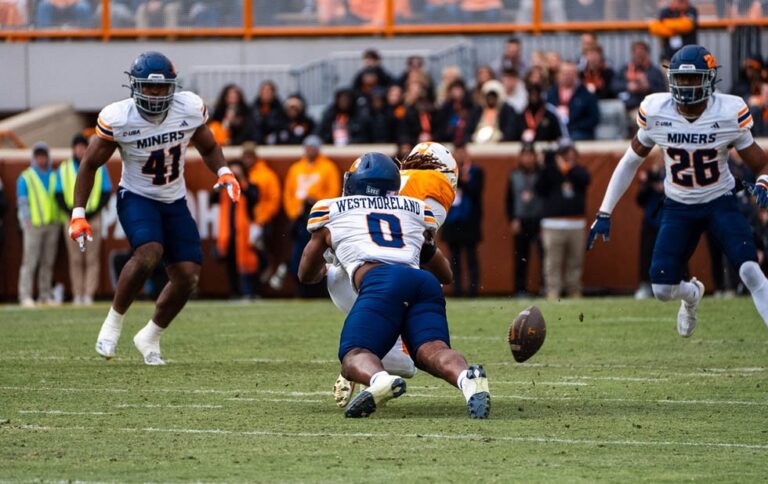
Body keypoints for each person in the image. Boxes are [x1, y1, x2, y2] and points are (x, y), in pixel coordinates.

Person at [68, 51, 240, 365]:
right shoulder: (120, 117)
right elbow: (90, 164)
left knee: (188, 275)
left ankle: (150, 336)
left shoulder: (188, 108)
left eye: (161, 88)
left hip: (174, 199)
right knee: (149, 251)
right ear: (135, 86)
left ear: (173, 87)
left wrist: (224, 171)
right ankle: (113, 323)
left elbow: (210, 146)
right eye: (149, 87)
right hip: (137, 196)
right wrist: (78, 212)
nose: (155, 93)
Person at [588, 44, 768, 336]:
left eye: (693, 78)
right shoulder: (657, 111)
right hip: (678, 206)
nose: (685, 85)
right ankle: (692, 294)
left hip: (719, 202)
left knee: (749, 270)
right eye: (681, 79)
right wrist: (605, 210)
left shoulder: (727, 112)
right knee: (661, 288)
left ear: (709, 79)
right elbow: (629, 162)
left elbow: (761, 163)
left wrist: (764, 181)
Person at [298, 152, 490, 419]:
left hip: (381, 282)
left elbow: (305, 274)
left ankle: (379, 380)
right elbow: (445, 274)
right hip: (423, 283)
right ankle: (468, 379)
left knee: (355, 352)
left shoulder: (330, 210)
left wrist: (326, 267)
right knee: (432, 350)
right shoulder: (414, 209)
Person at [327, 141, 457, 407]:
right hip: (378, 276)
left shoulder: (388, 177)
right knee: (406, 363)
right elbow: (424, 254)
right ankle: (364, 371)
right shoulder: (434, 185)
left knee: (377, 331)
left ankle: (361, 366)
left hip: (341, 270)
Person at [55, 134, 112, 305]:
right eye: (77, 146)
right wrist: (74, 213)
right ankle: (78, 294)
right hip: (72, 219)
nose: (80, 150)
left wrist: (91, 212)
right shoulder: (64, 168)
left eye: (83, 146)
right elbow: (57, 194)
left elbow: (106, 192)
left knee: (91, 258)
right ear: (73, 149)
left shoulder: (99, 166)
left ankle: (88, 294)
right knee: (75, 258)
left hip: (93, 218)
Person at [283, 135, 341, 294]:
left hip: (321, 219)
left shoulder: (328, 167)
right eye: (308, 147)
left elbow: (334, 192)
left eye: (313, 147)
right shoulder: (296, 168)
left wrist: (319, 205)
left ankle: (320, 290)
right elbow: (288, 194)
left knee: (320, 253)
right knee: (299, 253)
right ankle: (301, 289)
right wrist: (294, 212)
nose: (310, 150)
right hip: (301, 218)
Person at [536, 143, 591, 299]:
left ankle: (574, 290)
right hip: (553, 224)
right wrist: (546, 166)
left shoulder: (579, 171)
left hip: (576, 224)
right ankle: (553, 291)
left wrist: (568, 168)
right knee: (552, 261)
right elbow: (539, 188)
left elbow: (585, 180)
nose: (569, 157)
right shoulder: (550, 172)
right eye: (565, 154)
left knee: (575, 261)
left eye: (571, 153)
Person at [16, 142, 60, 308]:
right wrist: (25, 221)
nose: (42, 159)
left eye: (44, 156)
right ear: (34, 158)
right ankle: (25, 295)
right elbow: (22, 201)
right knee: (30, 261)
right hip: (33, 225)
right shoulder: (26, 176)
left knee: (47, 262)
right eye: (39, 156)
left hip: (52, 223)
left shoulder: (54, 175)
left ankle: (45, 294)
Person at [212, 160, 260, 299]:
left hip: (247, 231)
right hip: (228, 231)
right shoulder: (226, 188)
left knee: (250, 261)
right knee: (231, 262)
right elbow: (213, 198)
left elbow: (254, 199)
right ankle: (235, 292)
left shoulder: (250, 186)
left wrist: (242, 182)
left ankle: (251, 291)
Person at [441, 142, 484, 297]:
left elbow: (476, 193)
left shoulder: (476, 171)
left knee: (471, 257)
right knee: (454, 259)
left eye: (462, 152)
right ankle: (457, 290)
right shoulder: (446, 173)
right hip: (452, 221)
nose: (460, 155)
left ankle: (473, 290)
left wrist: (464, 182)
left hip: (469, 222)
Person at [506, 142, 542, 297]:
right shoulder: (514, 175)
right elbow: (508, 199)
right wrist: (512, 219)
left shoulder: (542, 174)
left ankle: (544, 287)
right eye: (525, 155)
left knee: (543, 256)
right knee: (521, 256)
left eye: (530, 155)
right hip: (521, 220)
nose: (527, 159)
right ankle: (520, 289)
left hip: (538, 220)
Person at [612, 41, 667, 136]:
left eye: (642, 52)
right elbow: (613, 86)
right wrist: (628, 86)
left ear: (647, 53)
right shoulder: (625, 69)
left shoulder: (654, 72)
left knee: (639, 117)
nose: (639, 55)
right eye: (636, 52)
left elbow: (663, 92)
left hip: (646, 108)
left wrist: (648, 87)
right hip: (626, 107)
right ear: (633, 53)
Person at [633, 158, 665, 299]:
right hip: (651, 219)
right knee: (647, 253)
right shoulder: (649, 174)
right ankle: (646, 285)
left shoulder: (675, 173)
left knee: (675, 251)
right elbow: (639, 199)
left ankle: (679, 282)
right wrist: (648, 183)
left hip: (671, 219)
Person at [547, 61, 600, 141]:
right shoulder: (550, 94)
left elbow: (594, 119)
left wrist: (572, 124)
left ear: (577, 75)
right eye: (565, 73)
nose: (568, 76)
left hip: (578, 132)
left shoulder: (587, 95)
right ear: (558, 75)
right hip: (555, 132)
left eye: (571, 73)